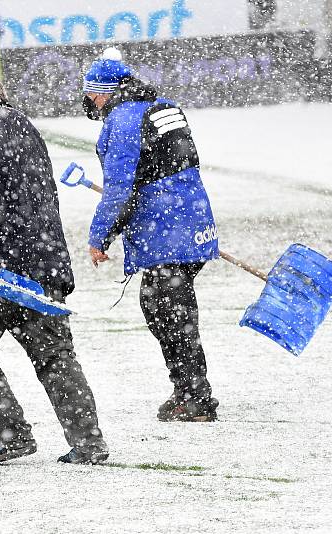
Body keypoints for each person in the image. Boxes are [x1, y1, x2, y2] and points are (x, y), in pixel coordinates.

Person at [0, 68, 108, 465]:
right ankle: (88, 442)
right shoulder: (27, 127)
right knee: (54, 355)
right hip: (41, 263)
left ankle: (12, 433)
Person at [82, 49, 220, 422]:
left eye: (92, 93)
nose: (90, 101)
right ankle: (189, 390)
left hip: (166, 229)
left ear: (104, 92)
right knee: (166, 307)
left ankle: (195, 397)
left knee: (169, 310)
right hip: (193, 219)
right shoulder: (162, 105)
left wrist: (99, 237)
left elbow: (118, 190)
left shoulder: (124, 119)